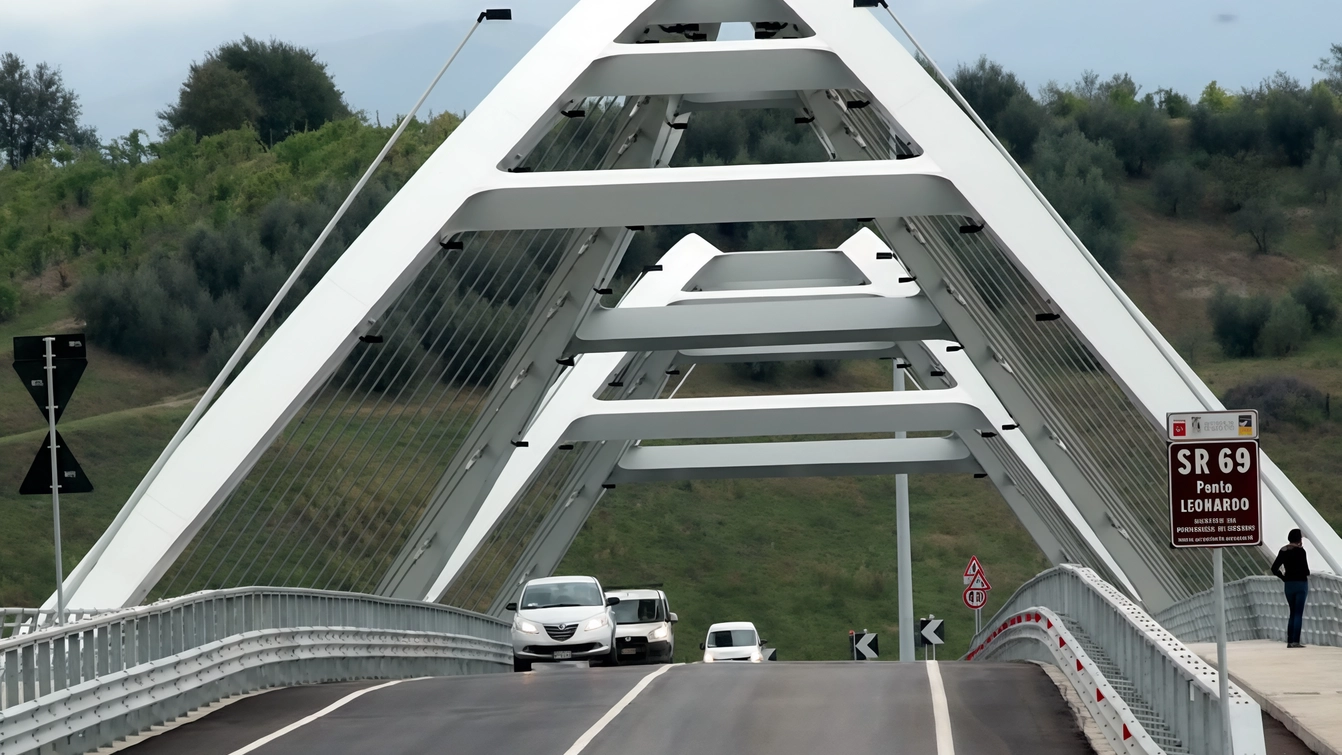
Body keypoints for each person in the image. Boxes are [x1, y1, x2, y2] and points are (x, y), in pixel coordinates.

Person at [1271, 529, 1310, 648]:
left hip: (1289, 584)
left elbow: (1274, 568)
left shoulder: (1283, 551)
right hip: (1301, 583)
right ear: (1299, 539)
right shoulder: (1301, 551)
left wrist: (1283, 577)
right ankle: (1295, 641)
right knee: (1298, 613)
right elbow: (1306, 570)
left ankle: (1289, 641)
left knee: (1292, 612)